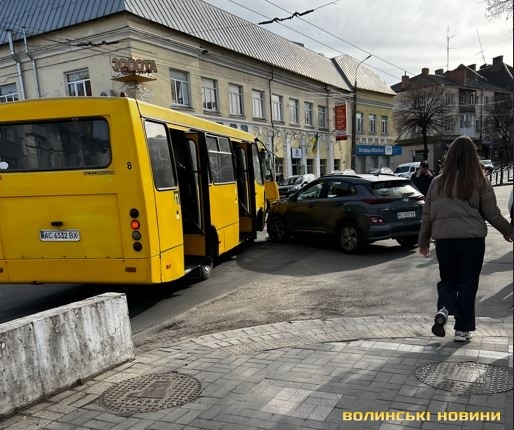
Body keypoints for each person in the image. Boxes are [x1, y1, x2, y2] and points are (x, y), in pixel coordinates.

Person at [418, 136, 512, 342]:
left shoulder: (436, 182)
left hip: (444, 241)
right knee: (468, 283)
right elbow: (492, 213)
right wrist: (508, 231)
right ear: (473, 156)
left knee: (448, 280)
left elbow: (427, 215)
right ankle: (462, 330)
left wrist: (423, 242)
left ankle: (444, 308)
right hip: (472, 241)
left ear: (449, 156)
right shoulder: (479, 180)